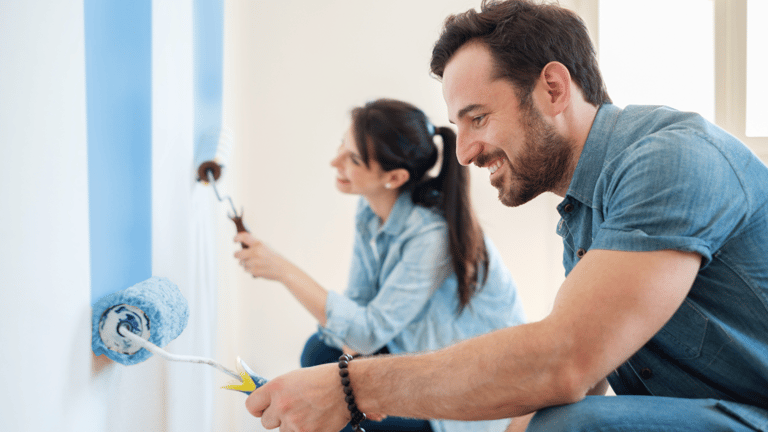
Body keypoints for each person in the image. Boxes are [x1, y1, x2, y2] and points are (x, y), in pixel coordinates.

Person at [243, 1, 768, 431]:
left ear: (553, 89)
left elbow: (565, 360)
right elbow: (589, 369)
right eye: (458, 125)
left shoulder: (671, 159)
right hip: (703, 412)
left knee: (566, 428)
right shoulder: (582, 215)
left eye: (479, 118)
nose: (465, 152)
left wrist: (353, 386)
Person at [234, 98, 526, 432]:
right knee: (320, 354)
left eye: (353, 159)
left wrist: (283, 271)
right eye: (342, 145)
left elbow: (368, 332)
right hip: (413, 351)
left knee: (336, 398)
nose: (335, 162)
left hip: (461, 393)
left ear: (394, 177)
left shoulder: (432, 236)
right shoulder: (370, 212)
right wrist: (352, 364)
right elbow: (359, 309)